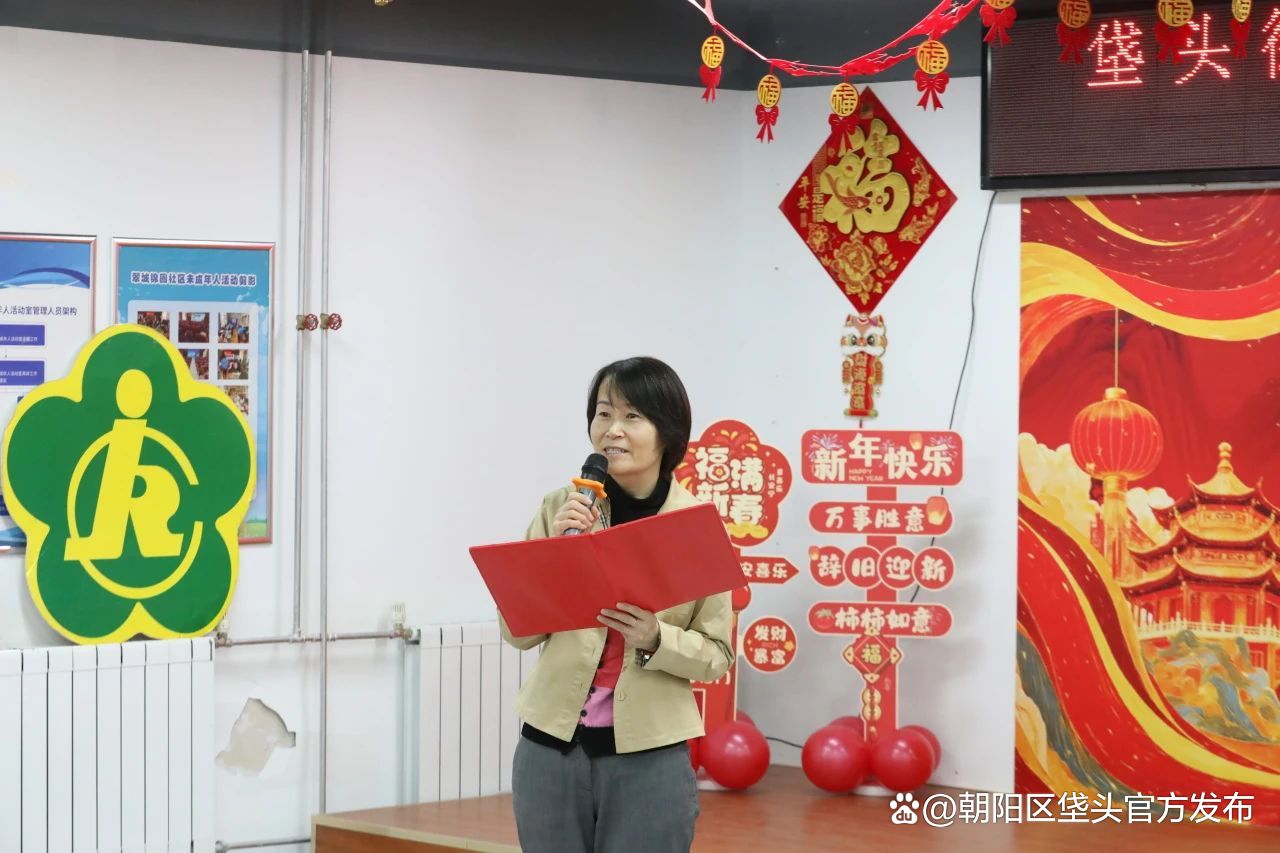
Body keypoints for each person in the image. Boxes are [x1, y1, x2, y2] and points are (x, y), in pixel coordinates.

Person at [499, 356, 733, 853]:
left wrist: (655, 638)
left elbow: (717, 656)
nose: (612, 430)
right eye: (603, 414)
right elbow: (517, 633)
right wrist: (555, 556)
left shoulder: (695, 527)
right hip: (549, 748)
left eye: (632, 416)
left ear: (667, 431)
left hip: (649, 756)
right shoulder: (560, 508)